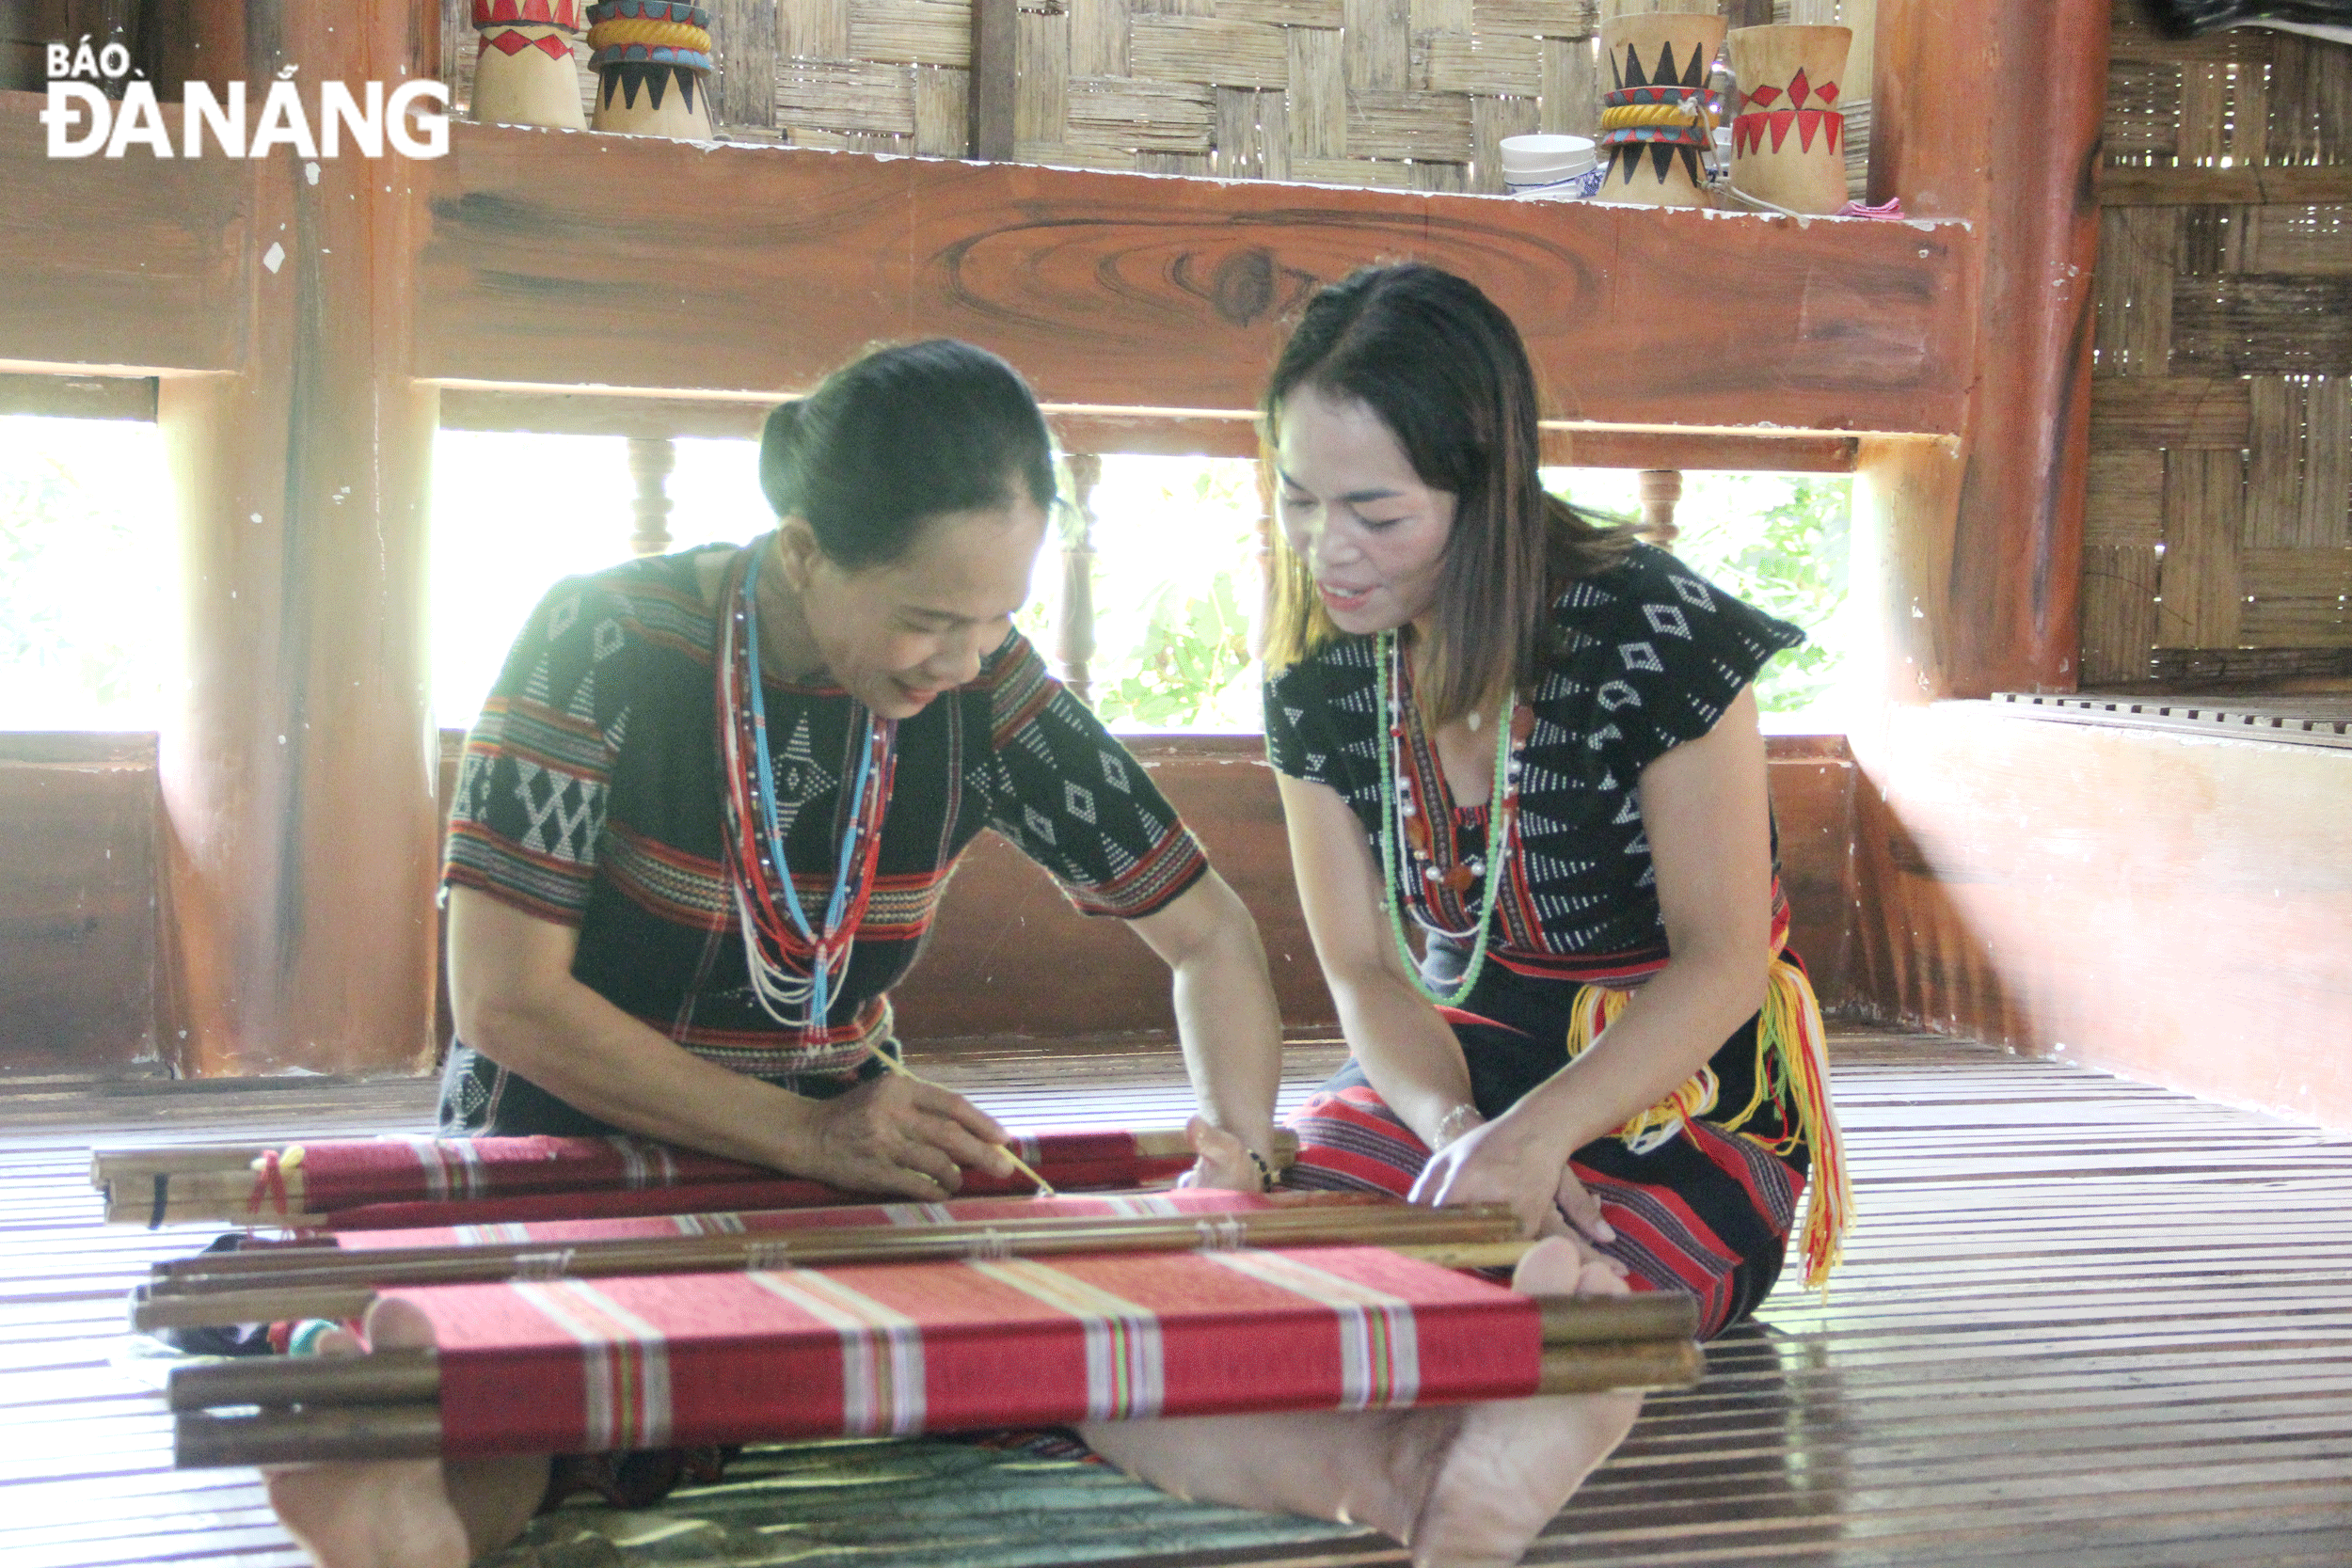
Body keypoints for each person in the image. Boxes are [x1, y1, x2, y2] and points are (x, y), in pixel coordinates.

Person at [262, 338, 1643, 1568]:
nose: (962, 658)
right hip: (570, 1150)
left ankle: (1414, 1473)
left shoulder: (986, 686)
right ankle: (404, 1507)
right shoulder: (602, 642)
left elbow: (1208, 930)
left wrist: (1235, 1140)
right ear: (802, 551)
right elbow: (505, 1006)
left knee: (1075, 1342)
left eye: (995, 617)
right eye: (929, 617)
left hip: (849, 1172)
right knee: (549, 1387)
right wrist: (811, 1139)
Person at [1254, 263, 1850, 1393]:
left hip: (1681, 1080)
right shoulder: (1321, 665)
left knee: (1575, 1294)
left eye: (1374, 511)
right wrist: (1455, 1129)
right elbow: (1362, 967)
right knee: (1290, 1252)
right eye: (1297, 497)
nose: (1325, 548)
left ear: (1488, 489)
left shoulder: (1656, 635)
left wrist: (1537, 1142)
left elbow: (1725, 959)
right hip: (1458, 1063)